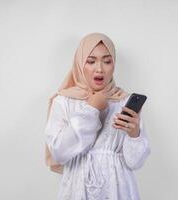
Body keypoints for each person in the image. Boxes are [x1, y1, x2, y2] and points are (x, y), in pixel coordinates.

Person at [44, 32, 151, 200]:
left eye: (107, 61)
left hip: (118, 190)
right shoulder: (63, 101)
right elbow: (59, 152)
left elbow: (135, 162)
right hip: (76, 189)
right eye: (91, 61)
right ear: (79, 64)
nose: (99, 69)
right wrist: (91, 109)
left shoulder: (124, 101)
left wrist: (134, 134)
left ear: (114, 65)